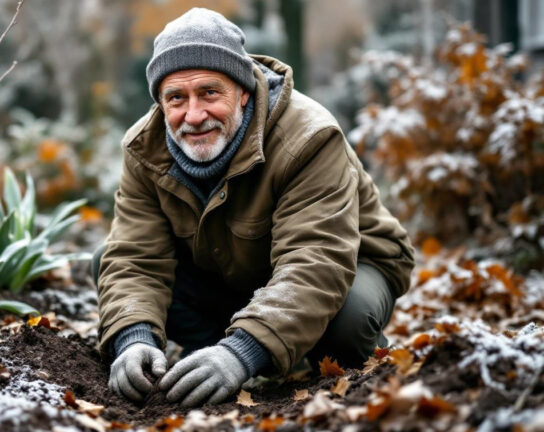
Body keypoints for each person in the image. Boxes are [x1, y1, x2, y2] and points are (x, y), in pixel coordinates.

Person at [92, 7, 415, 408]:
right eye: (176, 98)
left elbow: (317, 258)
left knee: (348, 325)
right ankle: (222, 355)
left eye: (210, 92)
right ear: (160, 102)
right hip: (235, 271)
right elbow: (136, 257)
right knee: (105, 259)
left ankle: (276, 353)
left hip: (353, 260)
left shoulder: (310, 138)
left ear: (243, 91)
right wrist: (133, 337)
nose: (194, 115)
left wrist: (241, 352)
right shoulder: (144, 148)